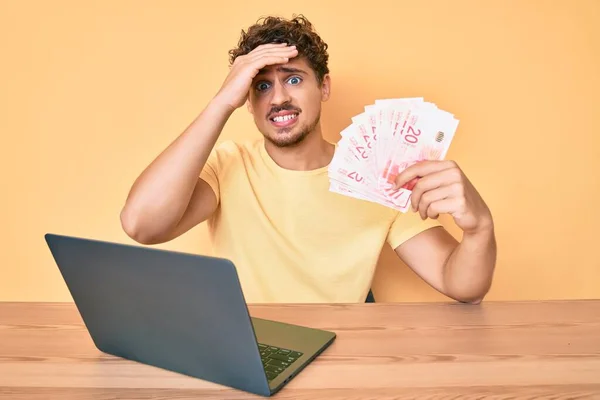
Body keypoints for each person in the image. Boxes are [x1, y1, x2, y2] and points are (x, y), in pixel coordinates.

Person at [119, 15, 497, 304]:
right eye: (261, 85)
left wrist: (480, 227)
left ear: (325, 87)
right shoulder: (226, 165)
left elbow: (460, 283)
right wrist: (221, 101)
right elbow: (141, 225)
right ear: (247, 102)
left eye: (294, 79)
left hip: (340, 357)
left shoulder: (377, 176)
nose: (278, 98)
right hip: (251, 351)